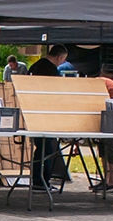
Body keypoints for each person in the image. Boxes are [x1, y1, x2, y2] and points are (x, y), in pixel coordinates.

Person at [27, 46, 70, 190]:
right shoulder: (51, 70)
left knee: (40, 148)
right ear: (60, 57)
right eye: (63, 59)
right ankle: (42, 181)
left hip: (31, 112)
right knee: (47, 149)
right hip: (45, 114)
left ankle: (38, 180)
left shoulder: (35, 66)